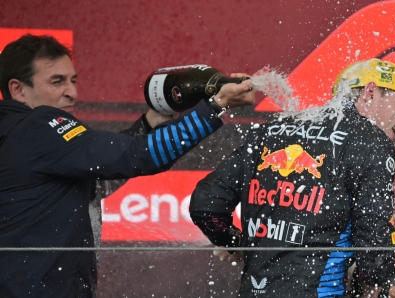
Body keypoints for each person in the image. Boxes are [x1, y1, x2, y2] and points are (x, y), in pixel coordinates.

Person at [0, 34, 256, 298]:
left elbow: (98, 183)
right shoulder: (35, 127)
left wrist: (151, 122)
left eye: (73, 80)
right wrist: (216, 105)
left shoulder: (16, 137)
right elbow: (140, 155)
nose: (72, 92)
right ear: (18, 89)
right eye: (57, 82)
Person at [189, 58, 395, 298]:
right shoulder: (371, 141)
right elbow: (373, 241)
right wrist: (376, 289)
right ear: (370, 92)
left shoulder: (274, 129)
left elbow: (205, 204)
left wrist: (234, 243)